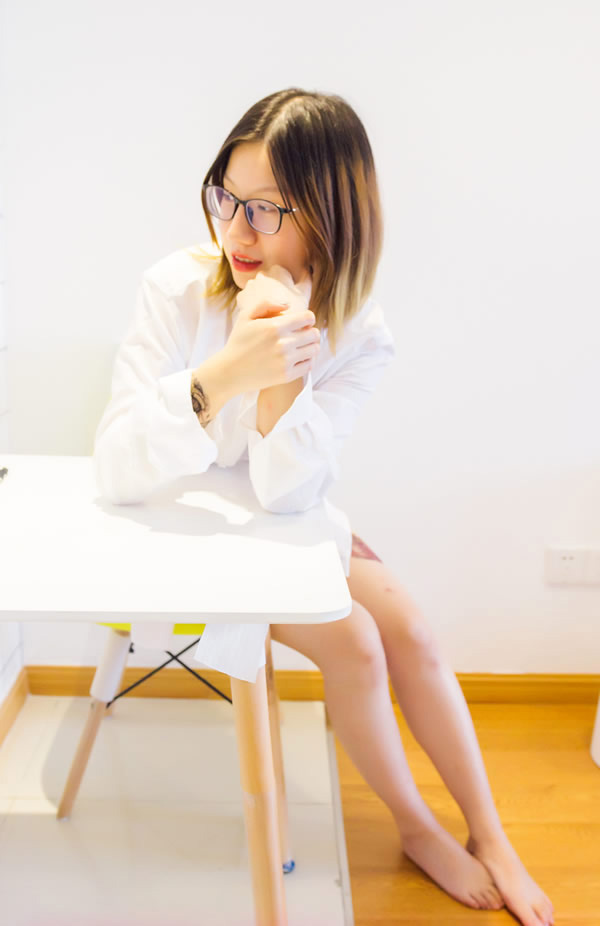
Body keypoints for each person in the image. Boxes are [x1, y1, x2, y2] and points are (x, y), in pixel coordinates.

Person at [94, 88, 554, 926]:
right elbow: (118, 465)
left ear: (331, 216)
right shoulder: (176, 288)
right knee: (358, 644)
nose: (237, 232)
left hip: (281, 517)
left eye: (266, 210)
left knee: (410, 628)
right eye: (227, 198)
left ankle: (492, 834)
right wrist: (226, 374)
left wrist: (284, 362)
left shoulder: (359, 332)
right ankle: (417, 827)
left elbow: (289, 492)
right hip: (176, 528)